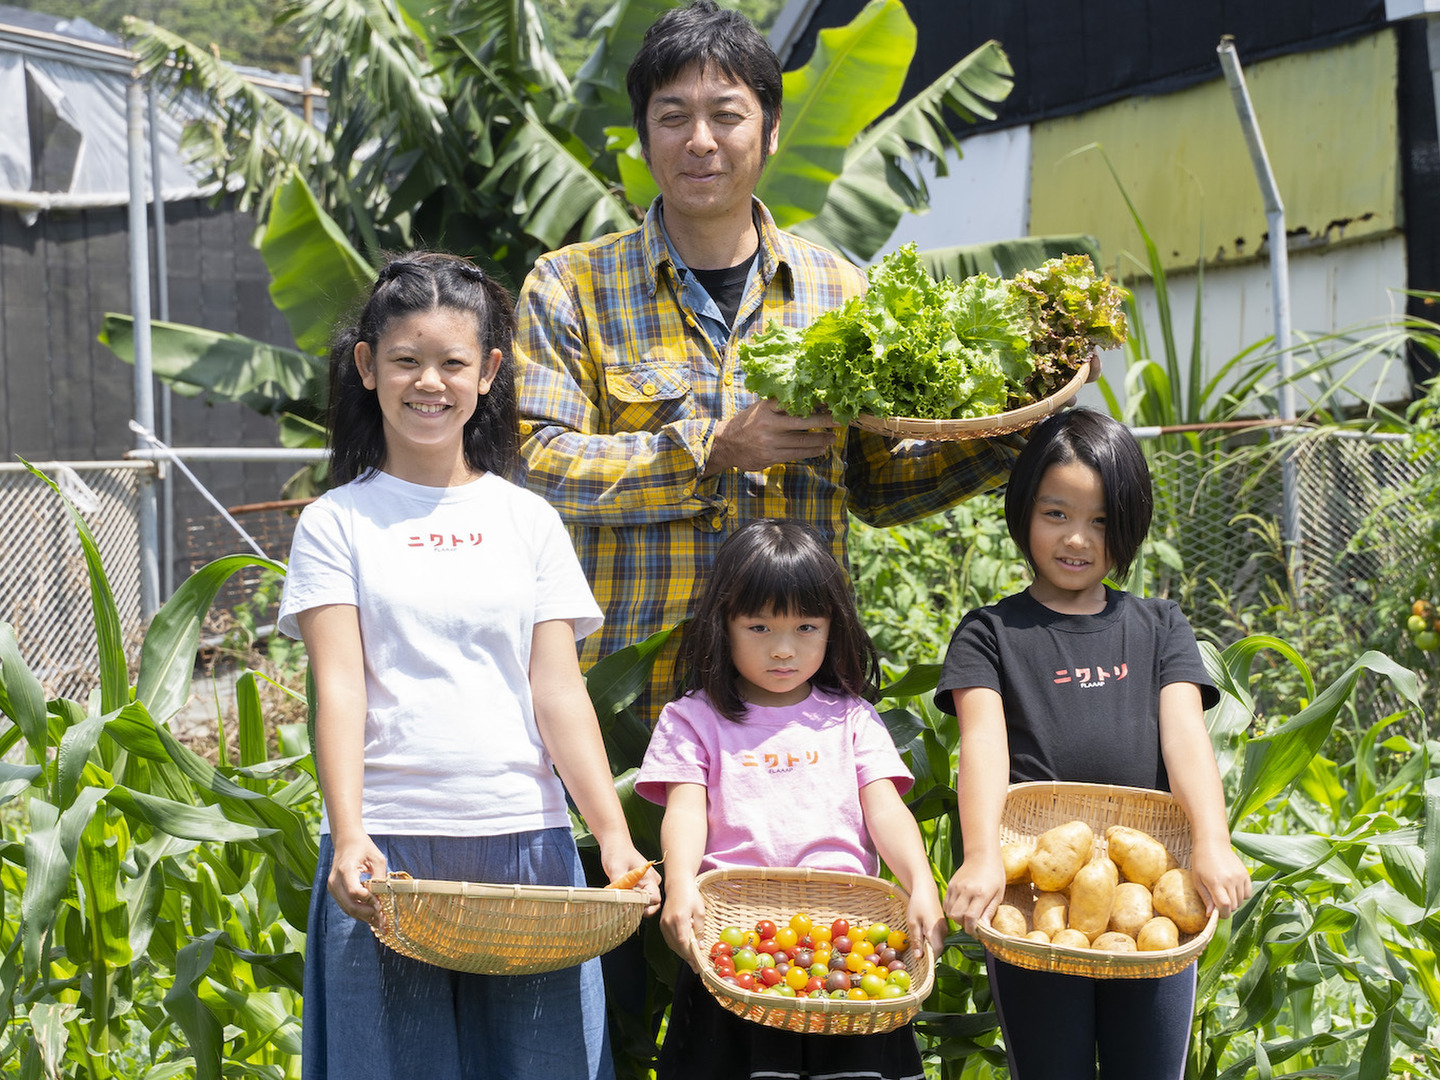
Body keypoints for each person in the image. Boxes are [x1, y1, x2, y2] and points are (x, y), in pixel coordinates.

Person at [512, 0, 1028, 724]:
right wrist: (713, 449)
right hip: (628, 713)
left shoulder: (840, 291)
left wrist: (1012, 426)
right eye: (672, 117)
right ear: (644, 136)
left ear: (772, 129)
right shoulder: (571, 285)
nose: (700, 141)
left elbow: (876, 487)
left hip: (798, 712)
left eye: (726, 115)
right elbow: (537, 465)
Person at [277, 252, 661, 1080]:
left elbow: (558, 691)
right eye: (406, 360)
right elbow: (339, 689)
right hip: (387, 856)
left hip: (526, 845)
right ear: (367, 366)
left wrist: (613, 837)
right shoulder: (336, 523)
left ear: (487, 372)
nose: (430, 382)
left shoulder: (528, 520)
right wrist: (349, 833)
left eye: (452, 362)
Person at [935, 408, 1252, 1080]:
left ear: (1130, 525)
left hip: (1154, 893)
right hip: (1036, 903)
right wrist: (984, 857)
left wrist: (1213, 841)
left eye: (1102, 521)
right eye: (1056, 514)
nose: (1077, 538)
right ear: (1023, 510)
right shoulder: (989, 633)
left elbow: (1186, 737)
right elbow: (982, 744)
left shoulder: (1160, 625)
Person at [635, 518, 945, 1080]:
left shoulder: (851, 717)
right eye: (758, 627)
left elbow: (885, 809)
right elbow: (685, 811)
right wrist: (679, 883)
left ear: (832, 628)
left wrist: (921, 883)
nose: (783, 650)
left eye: (806, 627)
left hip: (847, 943)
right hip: (733, 943)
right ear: (723, 626)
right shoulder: (693, 718)